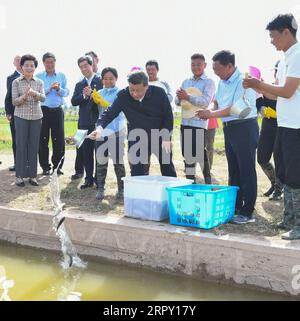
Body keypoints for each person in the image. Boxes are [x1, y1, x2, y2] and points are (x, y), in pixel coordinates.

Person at [243, 14, 300, 240]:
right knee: (285, 173)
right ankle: (288, 219)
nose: (271, 40)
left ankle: (298, 224)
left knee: (296, 176)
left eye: (273, 35)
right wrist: (259, 89)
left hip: (296, 126)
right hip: (284, 124)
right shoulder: (287, 57)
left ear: (286, 32)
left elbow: (287, 91)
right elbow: (279, 94)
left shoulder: (297, 55)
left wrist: (259, 83)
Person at [196, 50, 259, 224]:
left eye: (218, 69)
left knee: (246, 170)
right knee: (234, 170)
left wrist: (211, 114)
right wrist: (211, 106)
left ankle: (247, 212)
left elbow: (234, 108)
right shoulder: (223, 82)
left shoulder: (243, 81)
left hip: (244, 127)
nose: (216, 73)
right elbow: (218, 101)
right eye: (214, 70)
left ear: (230, 66)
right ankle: (236, 207)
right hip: (229, 128)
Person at [90, 71, 176, 178]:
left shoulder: (159, 93)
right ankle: (138, 193)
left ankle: (172, 192)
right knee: (137, 171)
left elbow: (168, 117)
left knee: (167, 167)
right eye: (132, 90)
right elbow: (109, 114)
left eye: (138, 90)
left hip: (159, 136)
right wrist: (99, 128)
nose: (134, 94)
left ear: (146, 86)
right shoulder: (123, 96)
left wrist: (166, 137)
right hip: (137, 138)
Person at [176, 53, 215, 184]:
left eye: (199, 64)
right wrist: (179, 97)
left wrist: (187, 97)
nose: (196, 67)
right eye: (193, 64)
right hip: (185, 122)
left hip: (198, 123)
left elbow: (205, 101)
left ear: (205, 65)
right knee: (187, 154)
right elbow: (177, 102)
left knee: (199, 153)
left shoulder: (209, 82)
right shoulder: (186, 81)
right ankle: (190, 181)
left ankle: (208, 181)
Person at [12, 54, 46, 187]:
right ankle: (19, 176)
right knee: (21, 145)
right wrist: (25, 96)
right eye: (26, 65)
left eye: (32, 65)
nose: (29, 67)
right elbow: (14, 101)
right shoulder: (16, 82)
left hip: (37, 117)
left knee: (33, 146)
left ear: (35, 67)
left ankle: (33, 176)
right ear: (22, 66)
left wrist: (35, 93)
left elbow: (43, 98)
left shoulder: (39, 82)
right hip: (20, 117)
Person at [93, 67, 126, 201]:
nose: (108, 81)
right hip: (101, 131)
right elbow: (99, 112)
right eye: (105, 79)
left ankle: (121, 189)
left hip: (117, 130)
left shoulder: (121, 93)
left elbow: (115, 110)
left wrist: (103, 102)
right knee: (101, 161)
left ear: (116, 79)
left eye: (111, 78)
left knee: (118, 161)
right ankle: (100, 188)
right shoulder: (99, 92)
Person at [71, 55, 102, 189]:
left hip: (98, 122)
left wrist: (92, 94)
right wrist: (83, 95)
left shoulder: (101, 80)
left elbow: (104, 99)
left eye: (86, 66)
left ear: (92, 65)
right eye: (81, 67)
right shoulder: (79, 84)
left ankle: (99, 179)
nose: (84, 69)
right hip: (83, 123)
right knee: (86, 152)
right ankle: (88, 179)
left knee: (99, 152)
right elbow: (73, 101)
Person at [36, 53, 69, 175]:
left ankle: (57, 166)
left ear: (55, 62)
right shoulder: (38, 77)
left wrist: (59, 89)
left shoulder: (61, 76)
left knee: (59, 140)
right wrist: (50, 88)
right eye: (47, 62)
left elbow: (66, 92)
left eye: (52, 62)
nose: (50, 64)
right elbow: (37, 94)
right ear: (44, 63)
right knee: (43, 139)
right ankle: (45, 167)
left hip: (57, 111)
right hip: (43, 111)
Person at [256, 61, 283, 201]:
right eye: (275, 71)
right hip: (267, 127)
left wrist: (262, 87)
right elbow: (258, 102)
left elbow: (278, 96)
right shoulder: (267, 86)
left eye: (278, 70)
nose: (275, 73)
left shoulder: (286, 88)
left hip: (282, 128)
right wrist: (262, 109)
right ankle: (274, 183)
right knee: (261, 158)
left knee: (279, 159)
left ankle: (278, 189)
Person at [4, 55, 22, 172]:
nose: (20, 62)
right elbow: (9, 96)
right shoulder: (11, 78)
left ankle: (26, 163)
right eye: (17, 60)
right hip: (15, 113)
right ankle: (17, 163)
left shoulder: (30, 76)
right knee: (16, 138)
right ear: (14, 63)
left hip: (28, 113)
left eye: (21, 60)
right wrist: (8, 112)